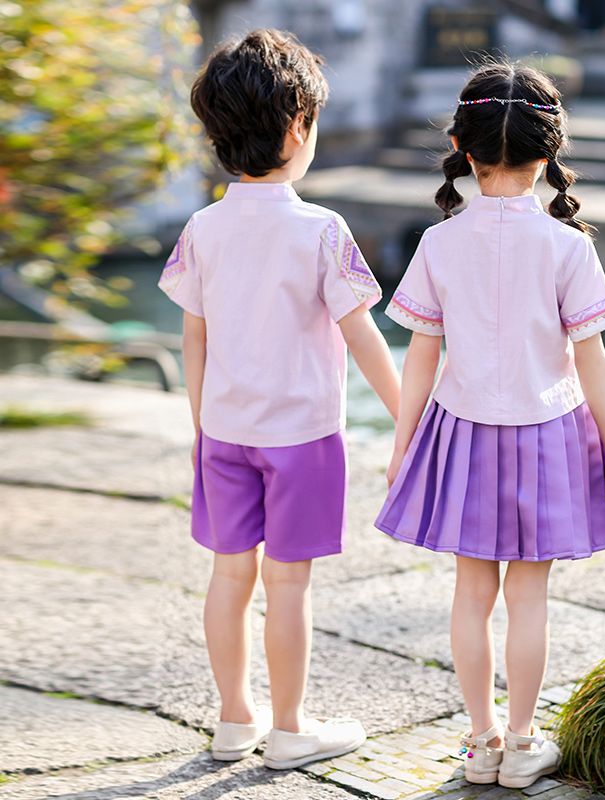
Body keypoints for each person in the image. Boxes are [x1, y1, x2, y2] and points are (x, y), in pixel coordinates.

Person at [375, 62, 605, 790]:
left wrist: (403, 449)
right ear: (549, 152)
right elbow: (592, 366)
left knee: (471, 594)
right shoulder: (568, 247)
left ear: (463, 148)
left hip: (460, 433)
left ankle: (479, 743)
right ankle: (523, 743)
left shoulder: (438, 244)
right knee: (530, 597)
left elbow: (420, 357)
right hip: (547, 432)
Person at [158, 29, 400, 769]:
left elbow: (192, 340)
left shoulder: (202, 228)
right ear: (300, 126)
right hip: (303, 439)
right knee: (288, 587)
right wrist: (410, 419)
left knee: (229, 576)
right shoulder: (322, 231)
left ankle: (234, 720)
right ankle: (290, 729)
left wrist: (204, 427)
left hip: (223, 433)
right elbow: (364, 337)